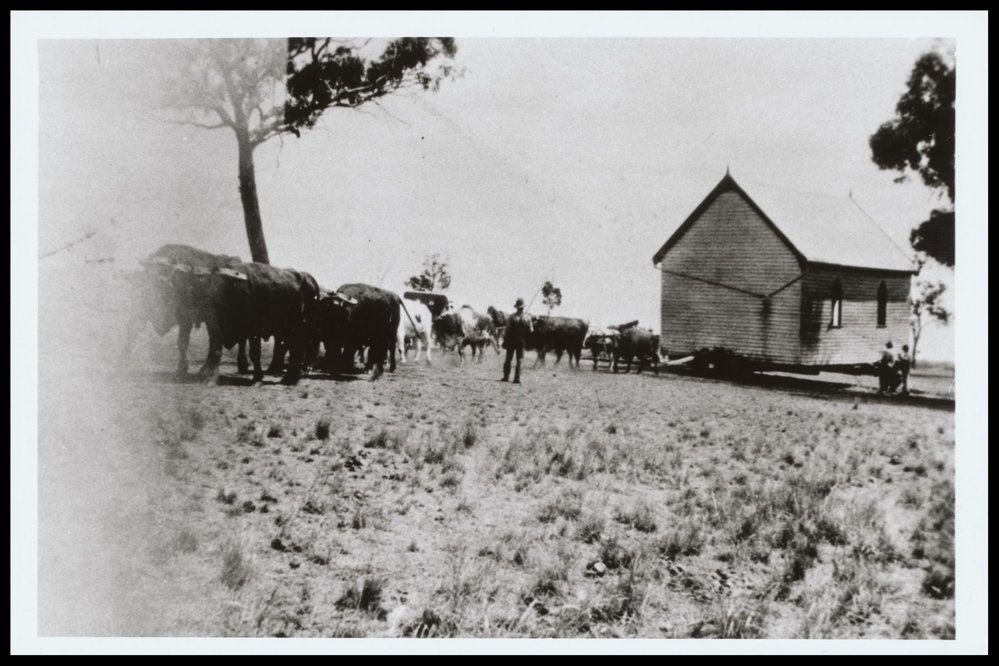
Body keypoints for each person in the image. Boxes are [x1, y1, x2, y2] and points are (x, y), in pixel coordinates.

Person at [501, 297, 533, 384]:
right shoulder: (528, 318)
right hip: (521, 342)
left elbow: (507, 330)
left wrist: (505, 339)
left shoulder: (511, 317)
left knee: (508, 359)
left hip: (511, 341)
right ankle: (517, 378)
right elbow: (531, 331)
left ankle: (506, 377)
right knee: (520, 360)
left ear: (516, 307)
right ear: (523, 307)